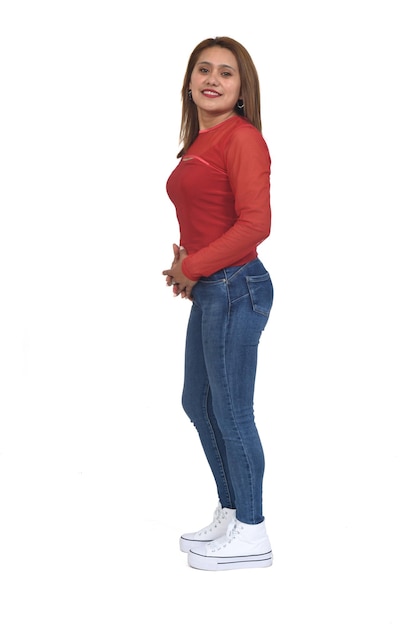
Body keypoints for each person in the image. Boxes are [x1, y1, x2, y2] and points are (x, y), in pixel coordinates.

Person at [162, 36, 274, 571]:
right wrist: (189, 262)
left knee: (231, 410)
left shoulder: (242, 139)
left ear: (241, 89)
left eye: (226, 73)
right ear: (189, 82)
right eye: (203, 69)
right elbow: (209, 210)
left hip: (237, 285)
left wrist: (196, 265)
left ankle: (253, 531)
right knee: (197, 401)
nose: (212, 78)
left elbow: (256, 224)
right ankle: (233, 513)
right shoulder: (199, 142)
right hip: (214, 285)